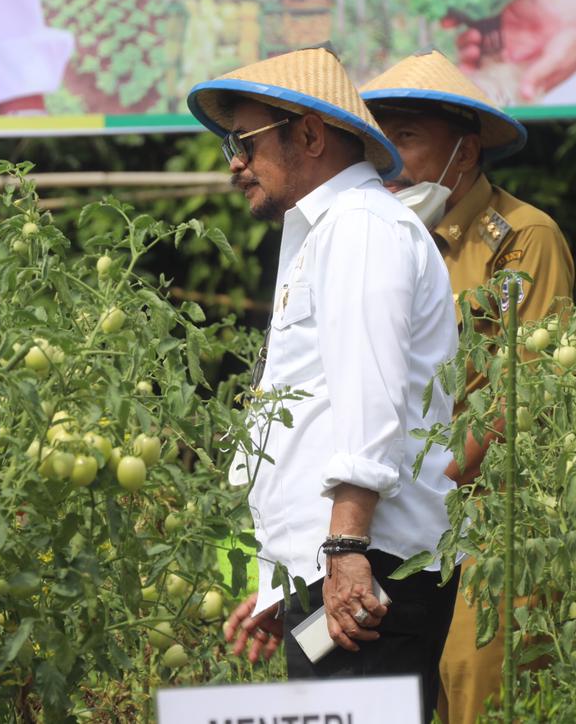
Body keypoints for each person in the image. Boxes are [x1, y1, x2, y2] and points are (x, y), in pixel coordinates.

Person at [192, 45, 459, 720]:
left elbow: (371, 398)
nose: (234, 163)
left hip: (368, 574)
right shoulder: (330, 230)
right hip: (348, 577)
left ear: (309, 134)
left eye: (244, 141)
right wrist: (293, 584)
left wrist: (342, 551)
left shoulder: (363, 226)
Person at [362, 49, 575, 724]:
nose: (389, 160)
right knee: (387, 693)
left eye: (407, 138)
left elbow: (525, 390)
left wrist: (435, 490)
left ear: (467, 144)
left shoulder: (521, 239)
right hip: (387, 521)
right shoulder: (382, 240)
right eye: (379, 140)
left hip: (484, 521)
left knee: (475, 686)